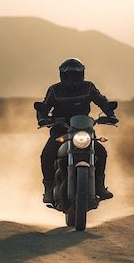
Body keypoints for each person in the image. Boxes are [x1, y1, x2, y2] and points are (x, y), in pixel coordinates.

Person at [36, 57, 118, 205]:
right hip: (60, 131)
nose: (72, 78)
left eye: (75, 74)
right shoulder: (54, 90)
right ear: (62, 75)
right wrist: (43, 118)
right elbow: (44, 107)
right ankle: (48, 189)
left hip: (84, 129)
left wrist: (110, 115)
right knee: (47, 155)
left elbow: (102, 101)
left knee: (101, 152)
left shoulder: (88, 87)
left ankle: (99, 186)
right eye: (68, 75)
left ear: (82, 74)